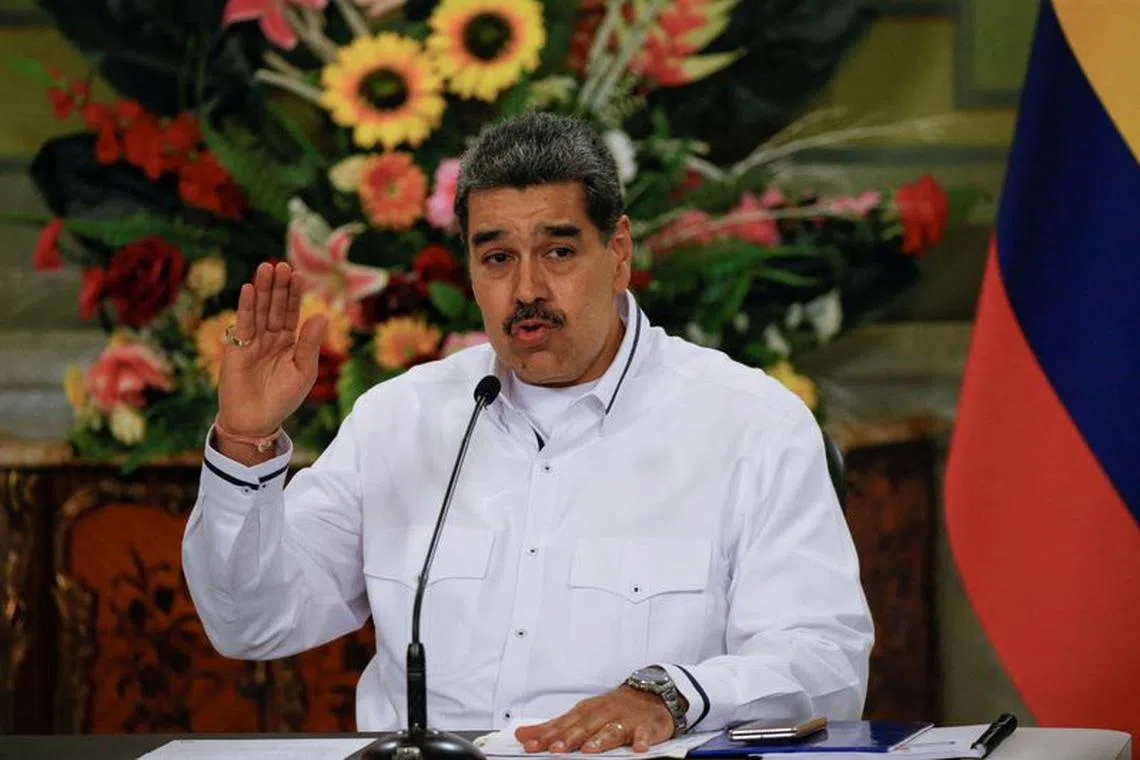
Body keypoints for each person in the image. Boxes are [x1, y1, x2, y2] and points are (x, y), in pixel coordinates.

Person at [182, 112, 873, 753]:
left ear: (620, 252)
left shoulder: (750, 424)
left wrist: (671, 695)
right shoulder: (400, 419)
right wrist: (245, 443)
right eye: (497, 258)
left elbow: (825, 657)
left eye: (559, 251)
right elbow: (253, 622)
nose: (526, 290)